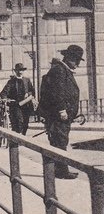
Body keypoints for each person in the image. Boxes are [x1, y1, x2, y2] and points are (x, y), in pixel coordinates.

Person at [40, 45, 83, 179]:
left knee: (60, 141)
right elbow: (57, 93)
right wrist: (62, 110)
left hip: (62, 115)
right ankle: (61, 171)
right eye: (76, 60)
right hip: (59, 115)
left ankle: (58, 170)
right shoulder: (59, 70)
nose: (77, 63)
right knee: (60, 141)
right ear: (68, 58)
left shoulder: (63, 70)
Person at [1, 63, 36, 135]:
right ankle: (18, 137)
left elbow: (32, 91)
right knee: (19, 121)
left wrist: (28, 94)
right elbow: (3, 93)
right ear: (15, 71)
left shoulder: (27, 80)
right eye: (18, 70)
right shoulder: (11, 82)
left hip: (26, 105)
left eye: (22, 70)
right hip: (16, 105)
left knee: (25, 123)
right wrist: (5, 99)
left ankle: (23, 136)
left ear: (23, 71)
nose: (20, 72)